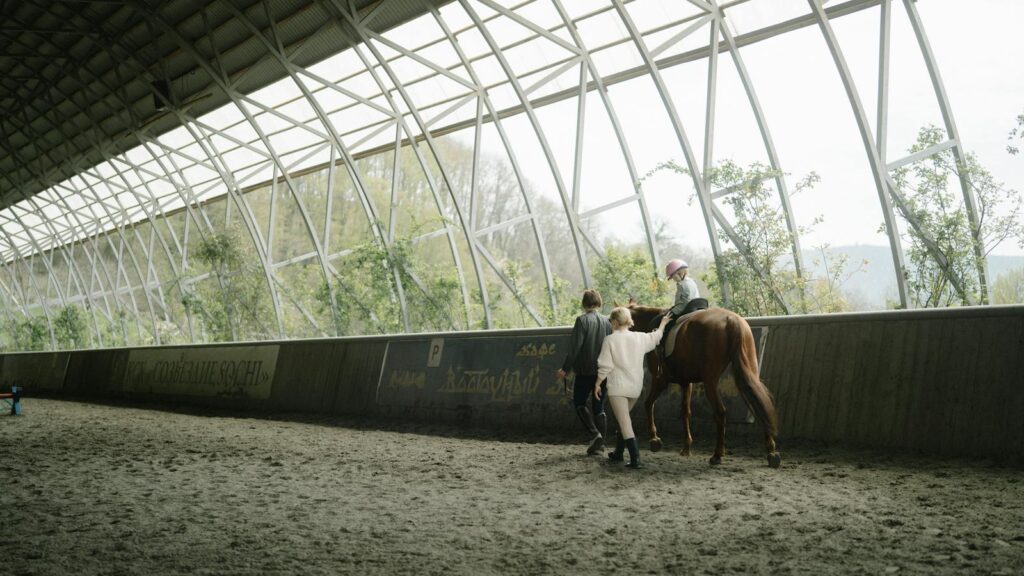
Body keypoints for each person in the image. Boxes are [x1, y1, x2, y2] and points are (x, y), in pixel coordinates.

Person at [595, 307, 672, 469]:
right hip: (635, 388)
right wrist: (663, 323)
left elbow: (605, 366)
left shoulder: (610, 340)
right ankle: (618, 452)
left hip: (618, 388)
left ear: (615, 322)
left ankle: (635, 459)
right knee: (622, 419)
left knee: (624, 422)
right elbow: (656, 337)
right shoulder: (639, 337)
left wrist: (597, 383)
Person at [556, 289, 612, 455]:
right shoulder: (607, 322)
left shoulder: (581, 321)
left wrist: (565, 369)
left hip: (585, 371)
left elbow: (574, 349)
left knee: (579, 402)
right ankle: (601, 444)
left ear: (584, 303)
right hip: (603, 371)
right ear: (599, 302)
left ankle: (595, 434)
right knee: (599, 407)